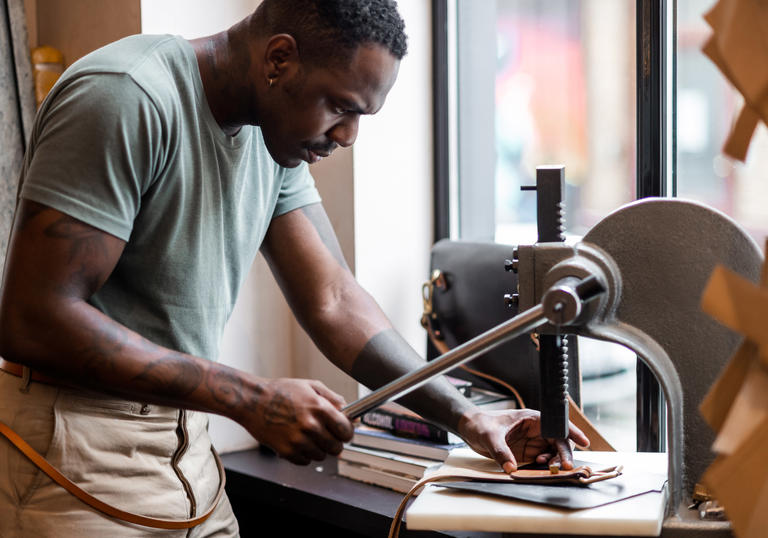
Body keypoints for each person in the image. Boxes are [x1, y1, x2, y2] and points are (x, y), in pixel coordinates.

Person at [0, 0, 589, 535]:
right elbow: (35, 316)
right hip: (72, 455)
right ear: (279, 58)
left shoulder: (272, 137)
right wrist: (250, 397)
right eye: (340, 107)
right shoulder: (127, 95)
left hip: (189, 460)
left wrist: (464, 417)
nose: (348, 135)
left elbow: (333, 299)